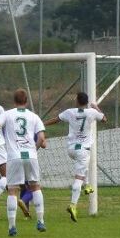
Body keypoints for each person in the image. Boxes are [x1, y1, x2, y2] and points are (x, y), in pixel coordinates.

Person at [0, 89, 46, 236]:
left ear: (14, 101)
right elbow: (41, 138)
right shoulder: (34, 116)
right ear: (26, 101)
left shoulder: (7, 114)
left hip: (14, 156)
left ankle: (12, 227)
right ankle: (40, 221)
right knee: (35, 187)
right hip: (31, 155)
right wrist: (34, 149)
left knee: (12, 190)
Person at [44, 92, 106, 222]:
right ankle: (73, 205)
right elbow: (104, 119)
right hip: (83, 150)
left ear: (77, 101)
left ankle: (87, 185)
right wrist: (95, 107)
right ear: (87, 102)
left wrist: (43, 124)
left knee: (83, 165)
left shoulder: (69, 112)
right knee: (78, 177)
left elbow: (56, 119)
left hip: (71, 149)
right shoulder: (91, 112)